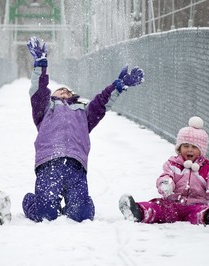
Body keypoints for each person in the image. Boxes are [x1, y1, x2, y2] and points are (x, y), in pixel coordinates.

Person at [22, 36, 145, 222]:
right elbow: (39, 89)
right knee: (45, 214)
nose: (65, 92)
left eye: (68, 92)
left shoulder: (83, 113)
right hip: (49, 163)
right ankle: (32, 201)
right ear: (52, 96)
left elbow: (101, 103)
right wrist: (40, 64)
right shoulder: (44, 109)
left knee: (82, 215)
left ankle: (77, 204)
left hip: (75, 164)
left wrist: (117, 87)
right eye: (60, 90)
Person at [119, 116, 209, 226]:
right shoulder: (173, 164)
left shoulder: (208, 168)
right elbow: (166, 175)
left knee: (198, 214)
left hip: (196, 204)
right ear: (179, 148)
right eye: (186, 146)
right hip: (172, 204)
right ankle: (137, 212)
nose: (189, 149)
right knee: (157, 208)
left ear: (201, 151)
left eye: (194, 147)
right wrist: (165, 184)